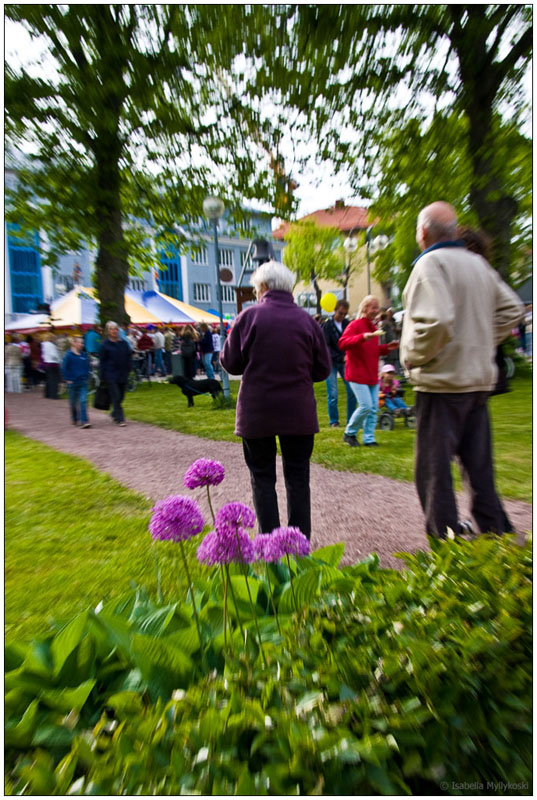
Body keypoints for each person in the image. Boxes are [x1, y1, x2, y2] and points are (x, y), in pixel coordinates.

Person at [400, 201, 523, 539]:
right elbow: (512, 309)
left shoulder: (430, 264)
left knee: (434, 472)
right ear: (454, 231)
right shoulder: (478, 264)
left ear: (422, 233)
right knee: (479, 467)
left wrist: (413, 356)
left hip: (442, 384)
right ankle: (498, 537)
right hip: (478, 381)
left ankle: (445, 544)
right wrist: (481, 340)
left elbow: (437, 321)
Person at [221, 260, 331, 539]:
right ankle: (297, 545)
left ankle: (269, 544)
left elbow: (231, 364)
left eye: (257, 289)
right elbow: (323, 369)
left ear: (264, 288)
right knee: (298, 479)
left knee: (262, 479)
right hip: (298, 412)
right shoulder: (308, 321)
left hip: (258, 412)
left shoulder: (248, 318)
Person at [338, 295, 400, 447]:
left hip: (371, 373)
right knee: (366, 405)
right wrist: (361, 337)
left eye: (377, 308)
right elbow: (342, 343)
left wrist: (386, 348)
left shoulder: (374, 328)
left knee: (373, 408)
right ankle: (350, 433)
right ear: (365, 308)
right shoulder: (355, 325)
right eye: (373, 307)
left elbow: (371, 351)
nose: (376, 311)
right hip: (357, 373)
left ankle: (369, 438)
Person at [322, 299, 356, 428]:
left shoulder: (348, 324)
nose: (342, 316)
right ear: (335, 310)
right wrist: (339, 357)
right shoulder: (327, 325)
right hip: (331, 362)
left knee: (352, 390)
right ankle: (334, 420)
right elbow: (326, 346)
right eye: (340, 313)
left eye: (344, 314)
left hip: (345, 361)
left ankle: (351, 419)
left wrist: (347, 355)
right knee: (333, 393)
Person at [99, 321, 132, 426]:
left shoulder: (123, 343)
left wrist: (129, 368)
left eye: (116, 329)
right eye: (111, 329)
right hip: (111, 374)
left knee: (121, 396)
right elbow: (102, 361)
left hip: (122, 373)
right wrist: (102, 375)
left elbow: (128, 356)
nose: (114, 331)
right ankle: (120, 419)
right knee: (116, 396)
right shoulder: (105, 345)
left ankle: (114, 412)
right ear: (108, 331)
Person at [62, 336, 91, 428]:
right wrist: (67, 379)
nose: (81, 345)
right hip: (73, 382)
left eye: (82, 343)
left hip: (83, 381)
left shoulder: (83, 355)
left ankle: (84, 421)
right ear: (74, 343)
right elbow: (64, 368)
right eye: (79, 343)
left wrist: (87, 375)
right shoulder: (68, 355)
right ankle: (74, 418)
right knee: (73, 402)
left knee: (83, 401)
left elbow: (87, 367)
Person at [41, 333, 62, 399]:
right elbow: (54, 355)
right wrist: (59, 359)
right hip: (53, 363)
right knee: (54, 380)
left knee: (48, 379)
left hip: (47, 362)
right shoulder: (51, 345)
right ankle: (54, 395)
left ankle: (47, 394)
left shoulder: (43, 344)